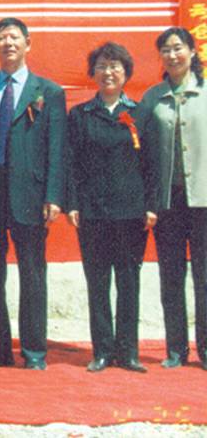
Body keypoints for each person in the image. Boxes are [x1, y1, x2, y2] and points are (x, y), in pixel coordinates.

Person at [0, 17, 65, 370]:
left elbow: (57, 148)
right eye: (2, 38)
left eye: (14, 37)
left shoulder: (49, 92)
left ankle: (34, 351)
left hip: (30, 195)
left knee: (32, 274)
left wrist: (54, 195)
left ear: (27, 44)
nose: (8, 43)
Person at [65, 42, 155, 373]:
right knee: (98, 281)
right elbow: (70, 163)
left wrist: (151, 206)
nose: (108, 72)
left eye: (115, 66)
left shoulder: (140, 113)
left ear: (126, 72)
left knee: (129, 281)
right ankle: (102, 350)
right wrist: (72, 203)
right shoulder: (80, 115)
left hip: (131, 212)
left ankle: (128, 352)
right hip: (93, 212)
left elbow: (152, 164)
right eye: (102, 66)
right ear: (93, 73)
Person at [140, 27, 207, 370]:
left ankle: (205, 349)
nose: (172, 55)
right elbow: (138, 147)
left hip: (204, 200)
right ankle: (176, 349)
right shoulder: (153, 98)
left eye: (178, 48)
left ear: (193, 51)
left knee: (205, 278)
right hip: (168, 201)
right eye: (165, 50)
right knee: (171, 276)